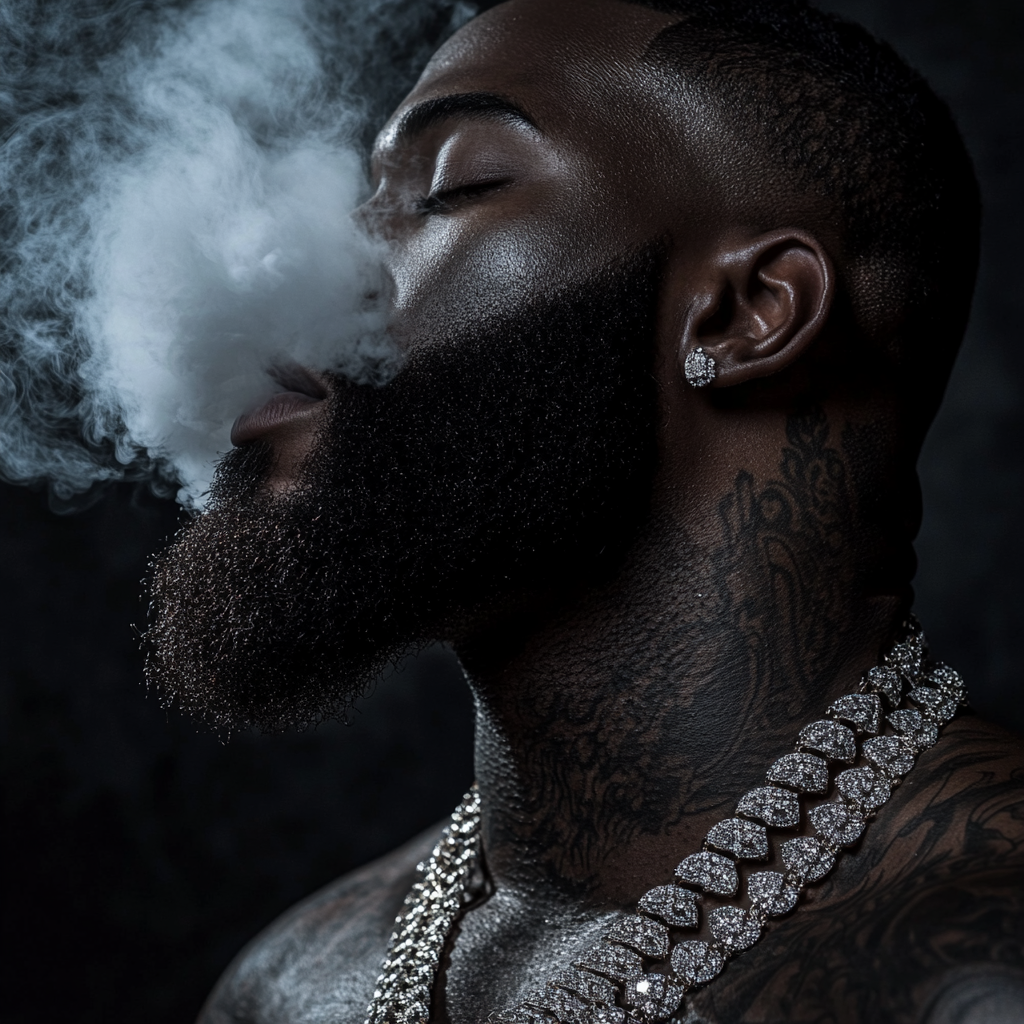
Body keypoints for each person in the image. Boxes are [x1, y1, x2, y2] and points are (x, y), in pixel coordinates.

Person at [147, 0, 1024, 1021]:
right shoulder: (287, 991)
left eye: (452, 185)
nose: (286, 273)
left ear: (749, 313)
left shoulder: (977, 966)